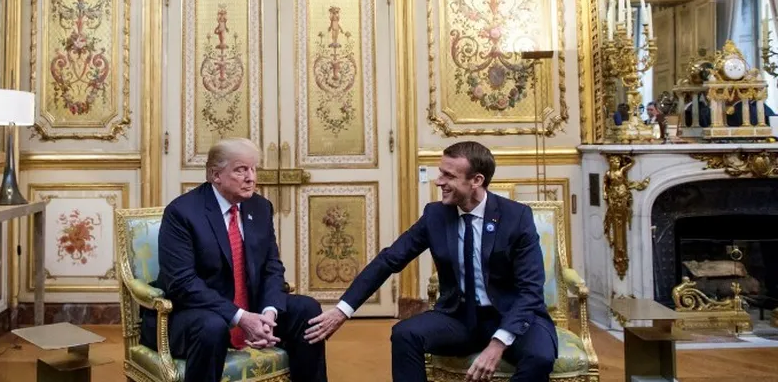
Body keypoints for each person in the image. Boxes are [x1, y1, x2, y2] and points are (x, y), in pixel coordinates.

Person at [305, 141, 557, 382]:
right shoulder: (435, 215)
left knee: (540, 357)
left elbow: (530, 290)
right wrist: (342, 310)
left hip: (510, 314)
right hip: (459, 317)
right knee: (405, 334)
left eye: (449, 176)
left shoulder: (516, 217)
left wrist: (498, 342)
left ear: (476, 181)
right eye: (440, 173)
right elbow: (390, 259)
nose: (439, 182)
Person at [141, 138, 327, 382]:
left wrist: (268, 314)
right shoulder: (183, 212)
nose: (251, 177)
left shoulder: (260, 207)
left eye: (254, 169)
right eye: (241, 170)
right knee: (212, 327)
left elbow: (272, 266)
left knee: (307, 310)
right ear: (216, 175)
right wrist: (240, 317)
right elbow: (182, 283)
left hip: (250, 306)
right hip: (192, 313)